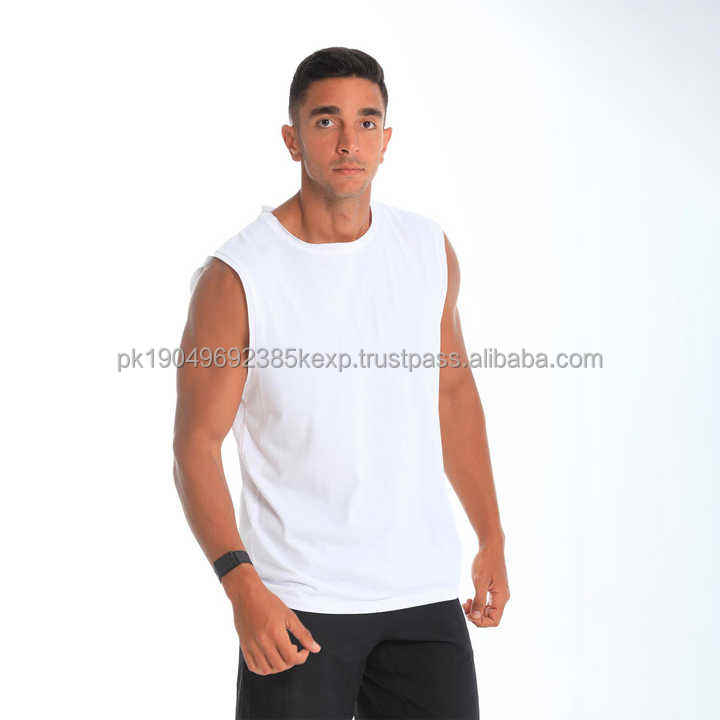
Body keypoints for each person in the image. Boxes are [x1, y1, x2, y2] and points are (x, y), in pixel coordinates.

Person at [173, 46, 509, 720]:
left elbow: (450, 395)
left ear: (386, 139)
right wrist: (242, 588)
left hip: (422, 598)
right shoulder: (238, 276)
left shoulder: (427, 249)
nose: (349, 141)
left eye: (367, 121)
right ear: (292, 139)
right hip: (297, 604)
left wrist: (491, 536)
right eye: (326, 121)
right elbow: (195, 447)